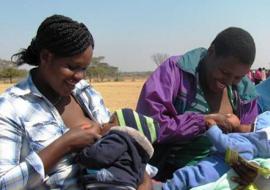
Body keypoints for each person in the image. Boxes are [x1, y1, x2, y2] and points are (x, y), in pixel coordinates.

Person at [0, 15, 150, 190]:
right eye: (71, 67)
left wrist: (144, 179)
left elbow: (121, 142)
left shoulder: (85, 92)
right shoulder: (11, 108)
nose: (80, 77)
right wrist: (65, 144)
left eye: (84, 68)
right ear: (46, 56)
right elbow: (4, 183)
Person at [136, 27, 258, 180]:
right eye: (225, 72)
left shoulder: (244, 92)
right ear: (211, 52)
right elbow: (147, 125)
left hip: (220, 173)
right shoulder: (175, 72)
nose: (228, 82)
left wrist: (245, 159)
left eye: (237, 77)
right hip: (170, 174)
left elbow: (253, 139)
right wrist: (203, 121)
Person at [152, 111, 270, 190]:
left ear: (257, 134)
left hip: (208, 172)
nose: (246, 125)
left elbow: (224, 144)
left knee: (185, 177)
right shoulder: (253, 151)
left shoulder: (247, 145)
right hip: (214, 173)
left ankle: (163, 188)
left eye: (250, 125)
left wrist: (212, 128)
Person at [76, 108, 159, 190]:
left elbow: (98, 156)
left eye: (111, 122)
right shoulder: (139, 155)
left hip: (112, 185)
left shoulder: (119, 138)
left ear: (123, 128)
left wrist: (82, 152)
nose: (104, 124)